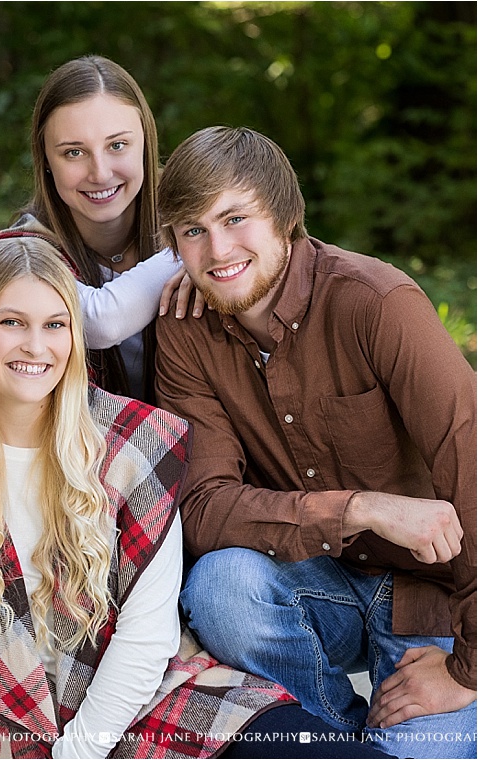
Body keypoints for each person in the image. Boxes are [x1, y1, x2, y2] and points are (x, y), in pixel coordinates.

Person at [0, 237, 389, 759]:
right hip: (6, 711)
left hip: (142, 697)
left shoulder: (135, 440)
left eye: (56, 325)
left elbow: (147, 639)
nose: (36, 346)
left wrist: (77, 753)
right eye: (12, 322)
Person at [153, 126, 477, 759]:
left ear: (287, 215)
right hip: (315, 583)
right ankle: (338, 739)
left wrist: (468, 672)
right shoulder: (187, 331)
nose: (217, 250)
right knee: (222, 585)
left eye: (235, 218)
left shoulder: (377, 303)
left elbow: (476, 470)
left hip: (431, 602)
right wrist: (357, 508)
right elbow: (205, 509)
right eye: (192, 230)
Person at [0, 55, 204, 403]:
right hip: (72, 448)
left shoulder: (201, 222)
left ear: (145, 144)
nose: (99, 172)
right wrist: (192, 255)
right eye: (74, 152)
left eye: (117, 145)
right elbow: (100, 322)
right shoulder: (18, 252)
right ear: (46, 161)